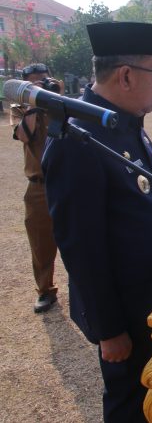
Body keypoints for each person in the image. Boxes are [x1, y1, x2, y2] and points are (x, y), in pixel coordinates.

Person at [42, 22, 152, 422]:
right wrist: (109, 329)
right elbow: (80, 246)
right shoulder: (77, 139)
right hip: (126, 312)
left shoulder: (123, 124)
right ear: (126, 75)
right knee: (130, 404)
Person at [10, 64, 63, 313]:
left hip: (65, 180)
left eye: (44, 81)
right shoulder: (19, 108)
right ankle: (45, 291)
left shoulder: (59, 103)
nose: (41, 86)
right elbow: (23, 135)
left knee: (79, 235)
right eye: (33, 84)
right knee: (41, 241)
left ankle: (85, 286)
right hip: (38, 185)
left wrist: (54, 96)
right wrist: (33, 103)